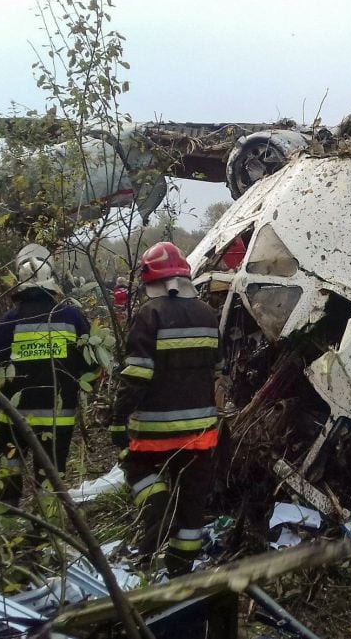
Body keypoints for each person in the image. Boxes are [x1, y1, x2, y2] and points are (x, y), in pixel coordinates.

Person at [111, 242, 221, 576]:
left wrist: (118, 421)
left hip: (155, 430)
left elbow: (137, 374)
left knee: (136, 466)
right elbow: (218, 369)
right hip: (202, 432)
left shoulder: (150, 314)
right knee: (192, 503)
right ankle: (180, 569)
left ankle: (156, 509)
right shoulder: (207, 313)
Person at [0, 244, 95, 505]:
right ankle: (48, 533)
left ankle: (8, 517)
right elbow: (91, 361)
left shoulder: (10, 321)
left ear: (20, 286)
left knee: (9, 464)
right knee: (51, 476)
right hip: (59, 414)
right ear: (51, 282)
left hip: (16, 415)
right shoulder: (72, 317)